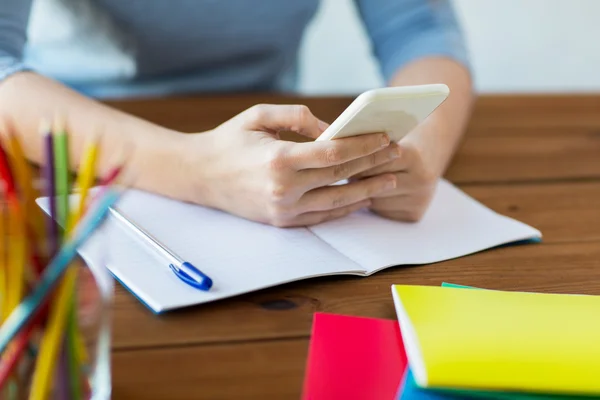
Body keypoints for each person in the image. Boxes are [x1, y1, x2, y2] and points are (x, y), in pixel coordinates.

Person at [0, 0, 474, 227]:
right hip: (74, 154)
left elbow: (420, 29)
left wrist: (422, 145)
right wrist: (196, 170)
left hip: (277, 140)